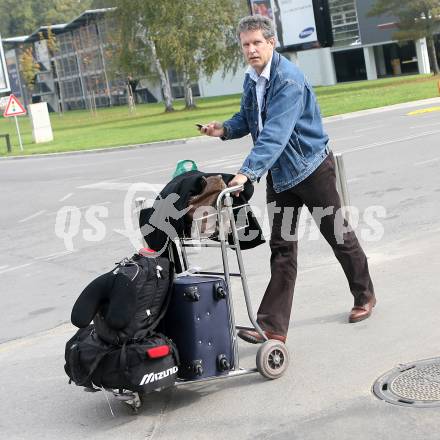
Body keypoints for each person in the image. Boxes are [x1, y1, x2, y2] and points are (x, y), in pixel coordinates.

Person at [199, 15, 376, 344]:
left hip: (311, 169)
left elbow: (275, 134)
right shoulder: (252, 79)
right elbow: (248, 118)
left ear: (271, 43)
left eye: (257, 43)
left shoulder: (288, 79)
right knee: (282, 249)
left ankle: (365, 295)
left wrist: (246, 173)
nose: (251, 50)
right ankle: (272, 327)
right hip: (281, 176)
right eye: (246, 45)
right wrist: (223, 129)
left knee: (337, 234)